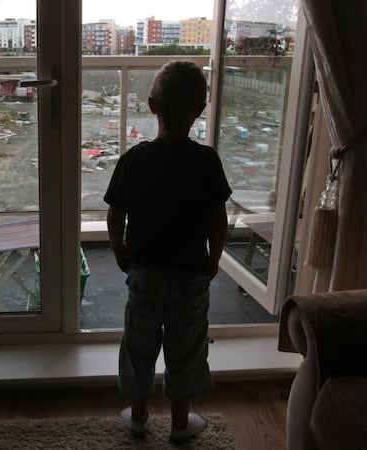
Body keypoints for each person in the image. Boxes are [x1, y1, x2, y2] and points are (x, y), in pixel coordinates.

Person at [104, 60, 231, 443]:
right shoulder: (206, 161)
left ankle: (139, 418)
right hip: (191, 276)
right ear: (200, 110)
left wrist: (119, 248)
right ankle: (179, 424)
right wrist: (212, 260)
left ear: (152, 105)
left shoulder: (134, 160)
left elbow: (115, 215)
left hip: (145, 274)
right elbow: (218, 220)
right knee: (186, 349)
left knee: (140, 346)